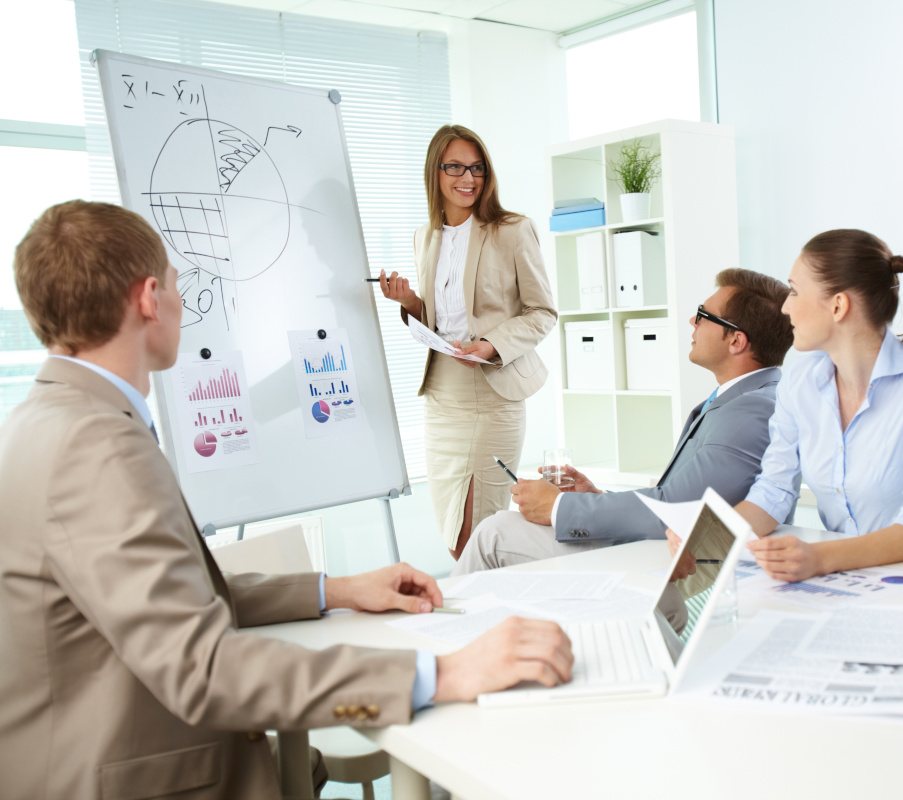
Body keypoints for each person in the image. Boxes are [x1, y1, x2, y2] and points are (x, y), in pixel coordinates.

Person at [0, 200, 572, 800]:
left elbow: (175, 594)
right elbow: (203, 668)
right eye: (174, 284)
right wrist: (443, 672)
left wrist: (338, 591)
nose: (179, 301)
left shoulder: (52, 420)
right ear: (148, 299)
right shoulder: (96, 447)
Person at [452, 268, 797, 575]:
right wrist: (596, 495)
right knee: (499, 529)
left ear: (736, 341)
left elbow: (675, 511)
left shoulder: (751, 412)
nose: (692, 322)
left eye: (704, 315)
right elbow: (674, 497)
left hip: (680, 562)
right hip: (664, 544)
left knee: (493, 534)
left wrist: (558, 507)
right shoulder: (743, 398)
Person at [701, 230, 903, 584]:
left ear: (838, 305)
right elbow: (774, 490)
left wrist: (819, 557)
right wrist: (707, 538)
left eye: (795, 291)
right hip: (841, 583)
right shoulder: (799, 380)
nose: (785, 307)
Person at [377, 124, 556, 560]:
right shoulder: (426, 236)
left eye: (476, 168)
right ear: (435, 172)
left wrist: (490, 345)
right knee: (451, 528)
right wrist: (409, 303)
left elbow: (542, 313)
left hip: (492, 394)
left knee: (475, 534)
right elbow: (439, 320)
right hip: (443, 395)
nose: (468, 178)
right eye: (455, 166)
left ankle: (500, 619)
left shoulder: (512, 230)